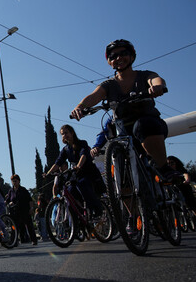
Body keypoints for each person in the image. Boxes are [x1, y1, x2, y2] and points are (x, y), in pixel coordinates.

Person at [71, 39, 174, 179]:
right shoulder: (108, 85)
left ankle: (164, 169)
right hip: (123, 133)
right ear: (109, 62)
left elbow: (156, 80)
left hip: (149, 127)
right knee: (118, 162)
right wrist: (80, 107)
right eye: (113, 56)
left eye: (123, 53)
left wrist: (157, 87)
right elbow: (94, 96)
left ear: (132, 55)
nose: (118, 58)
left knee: (143, 125)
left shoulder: (144, 75)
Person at [45, 125, 104, 218]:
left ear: (72, 132)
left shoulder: (82, 143)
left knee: (83, 184)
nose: (64, 135)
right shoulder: (65, 149)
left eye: (66, 133)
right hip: (76, 175)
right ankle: (77, 219)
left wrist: (78, 166)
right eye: (62, 134)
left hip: (88, 172)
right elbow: (58, 162)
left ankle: (96, 209)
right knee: (70, 191)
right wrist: (48, 173)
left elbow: (83, 155)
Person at [5, 174, 38, 245]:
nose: (14, 182)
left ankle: (34, 240)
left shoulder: (23, 190)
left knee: (29, 226)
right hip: (15, 212)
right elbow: (7, 200)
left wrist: (31, 208)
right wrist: (6, 203)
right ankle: (14, 241)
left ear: (19, 181)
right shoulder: (10, 191)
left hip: (24, 211)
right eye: (13, 181)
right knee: (14, 227)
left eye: (15, 181)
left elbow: (30, 200)